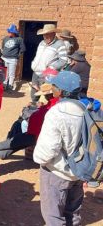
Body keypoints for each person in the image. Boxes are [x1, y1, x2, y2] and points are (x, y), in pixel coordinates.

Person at [33, 71, 84, 226]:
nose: (52, 88)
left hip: (57, 171)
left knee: (53, 215)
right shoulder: (86, 108)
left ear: (60, 91)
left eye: (54, 86)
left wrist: (39, 159)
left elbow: (49, 149)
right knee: (73, 211)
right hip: (80, 170)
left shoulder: (57, 113)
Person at [0, 83, 58, 159]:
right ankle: (1, 153)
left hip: (41, 134)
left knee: (21, 138)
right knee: (22, 138)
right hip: (39, 132)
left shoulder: (52, 105)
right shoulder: (53, 103)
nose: (44, 96)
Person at [31, 24, 68, 102]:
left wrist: (51, 67)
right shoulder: (41, 43)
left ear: (54, 34)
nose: (45, 36)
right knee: (34, 95)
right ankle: (33, 111)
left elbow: (64, 60)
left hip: (47, 75)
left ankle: (47, 111)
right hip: (36, 73)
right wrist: (34, 63)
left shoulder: (60, 44)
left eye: (48, 34)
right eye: (44, 34)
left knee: (47, 96)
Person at [1, 24, 26, 91]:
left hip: (13, 59)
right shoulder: (5, 38)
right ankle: (4, 85)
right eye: (8, 31)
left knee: (11, 73)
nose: (8, 33)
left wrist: (17, 56)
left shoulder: (19, 39)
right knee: (5, 73)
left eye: (9, 32)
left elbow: (22, 49)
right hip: (4, 58)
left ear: (13, 32)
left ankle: (10, 86)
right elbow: (3, 47)